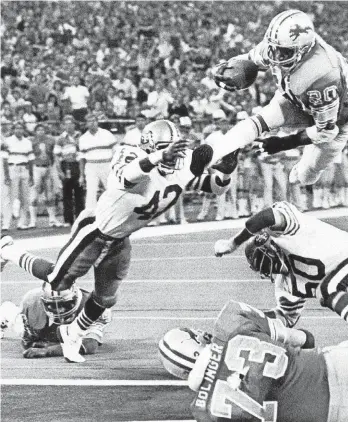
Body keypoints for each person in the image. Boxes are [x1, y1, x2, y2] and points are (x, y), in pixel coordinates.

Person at [1, 119, 241, 363]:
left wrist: (227, 170)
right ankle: (7, 250)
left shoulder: (178, 166)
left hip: (120, 238)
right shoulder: (130, 154)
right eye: (165, 151)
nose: (174, 158)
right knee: (56, 281)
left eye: (174, 151)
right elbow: (128, 176)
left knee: (105, 299)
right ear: (151, 148)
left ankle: (74, 333)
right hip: (96, 228)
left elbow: (215, 186)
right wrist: (160, 157)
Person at [214, 9, 348, 186]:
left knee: (304, 176)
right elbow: (250, 59)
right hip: (297, 102)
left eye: (284, 53)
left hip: (337, 121)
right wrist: (229, 68)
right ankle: (224, 151)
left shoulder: (322, 74)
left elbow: (326, 131)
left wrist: (283, 143)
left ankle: (306, 169)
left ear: (303, 49)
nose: (277, 56)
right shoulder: (279, 46)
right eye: (275, 49)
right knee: (261, 119)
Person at [159, 300, 348, 422]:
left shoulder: (205, 412)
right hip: (344, 365)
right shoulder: (231, 321)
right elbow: (306, 339)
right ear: (197, 341)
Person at [214, 201, 348, 339]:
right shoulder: (286, 284)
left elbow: (265, 217)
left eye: (268, 260)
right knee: (333, 291)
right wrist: (253, 319)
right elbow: (285, 318)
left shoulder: (290, 231)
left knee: (328, 289)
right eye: (267, 267)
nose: (273, 267)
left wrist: (233, 243)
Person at [0, 283, 111, 359]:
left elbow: (90, 345)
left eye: (64, 304)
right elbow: (28, 343)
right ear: (43, 302)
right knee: (15, 323)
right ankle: (5, 312)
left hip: (75, 331)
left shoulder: (93, 306)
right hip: (44, 327)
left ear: (76, 298)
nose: (59, 310)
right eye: (51, 305)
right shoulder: (32, 301)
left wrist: (48, 350)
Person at [78, 113, 117, 210]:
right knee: (91, 191)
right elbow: (81, 158)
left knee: (112, 190)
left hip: (107, 164)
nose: (92, 123)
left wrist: (116, 167)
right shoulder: (83, 138)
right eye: (89, 121)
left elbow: (116, 152)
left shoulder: (107, 134)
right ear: (86, 124)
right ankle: (91, 216)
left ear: (97, 122)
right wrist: (81, 175)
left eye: (94, 121)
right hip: (91, 166)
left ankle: (115, 212)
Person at [29, 123, 63, 228]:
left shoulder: (50, 140)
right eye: (38, 130)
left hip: (48, 168)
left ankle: (52, 219)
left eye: (42, 130)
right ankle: (33, 221)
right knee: (34, 195)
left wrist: (53, 169)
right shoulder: (31, 141)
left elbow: (54, 155)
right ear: (35, 132)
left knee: (50, 195)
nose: (40, 132)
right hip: (36, 168)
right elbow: (29, 157)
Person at [54, 115, 84, 226]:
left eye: (71, 123)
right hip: (65, 165)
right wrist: (59, 171)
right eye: (66, 124)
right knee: (67, 193)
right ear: (63, 125)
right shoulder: (60, 138)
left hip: (78, 164)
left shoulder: (80, 136)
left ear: (74, 124)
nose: (69, 126)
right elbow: (57, 156)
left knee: (79, 194)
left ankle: (80, 219)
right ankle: (68, 219)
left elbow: (83, 152)